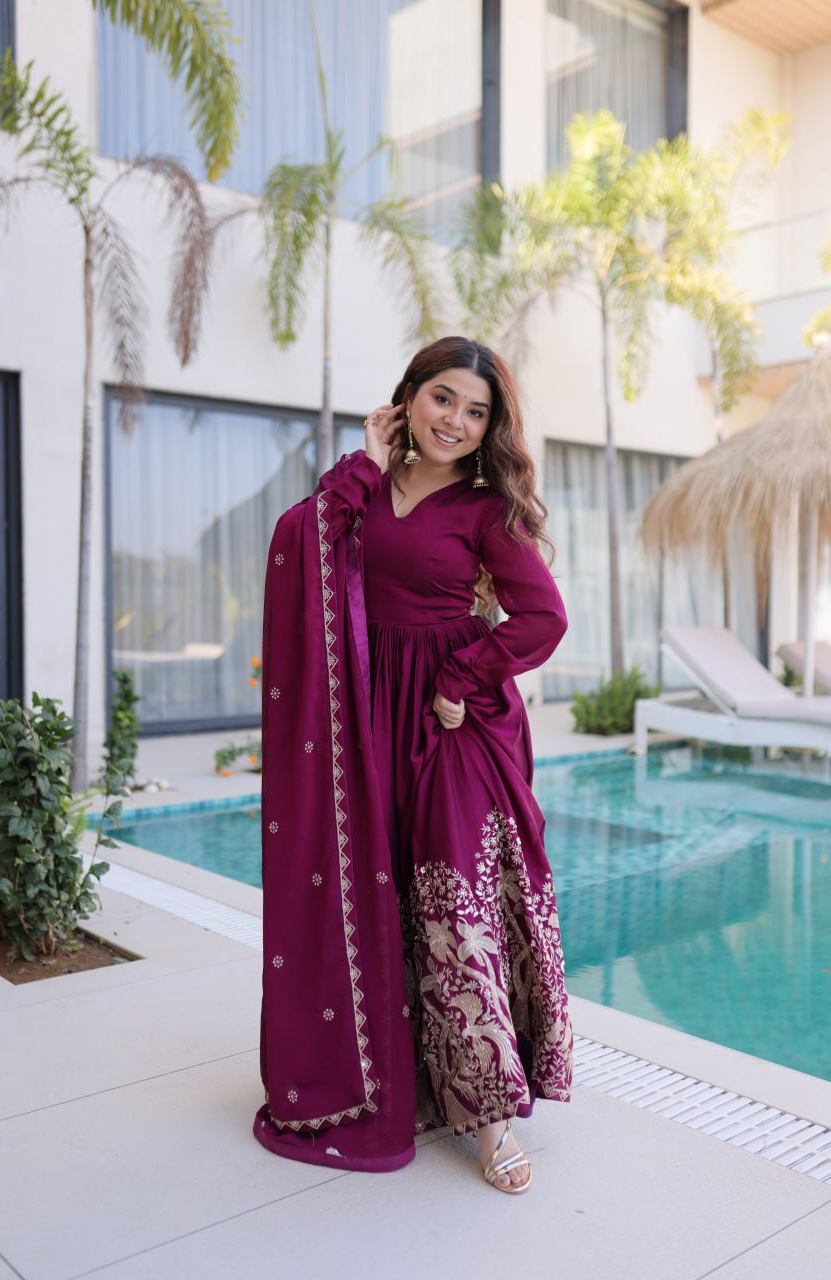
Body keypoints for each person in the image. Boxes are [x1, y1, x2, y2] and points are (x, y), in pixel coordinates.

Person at [254, 336, 573, 1193]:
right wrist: (365, 461)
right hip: (362, 716)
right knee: (380, 890)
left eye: (476, 412)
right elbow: (301, 543)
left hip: (447, 721)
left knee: (453, 904)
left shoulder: (486, 510)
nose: (455, 422)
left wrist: (460, 679)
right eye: (442, 399)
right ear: (407, 397)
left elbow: (542, 618)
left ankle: (494, 1121)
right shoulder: (360, 488)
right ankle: (405, 1072)